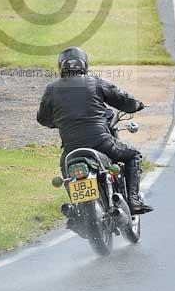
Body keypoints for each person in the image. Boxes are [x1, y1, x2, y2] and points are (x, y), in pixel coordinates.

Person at [37, 47, 153, 216]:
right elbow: (122, 99)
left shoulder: (51, 89)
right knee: (134, 155)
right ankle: (133, 200)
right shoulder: (95, 82)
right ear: (84, 65)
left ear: (61, 66)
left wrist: (59, 122)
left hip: (71, 148)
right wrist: (136, 105)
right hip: (101, 142)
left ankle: (77, 212)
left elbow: (43, 119)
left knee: (67, 172)